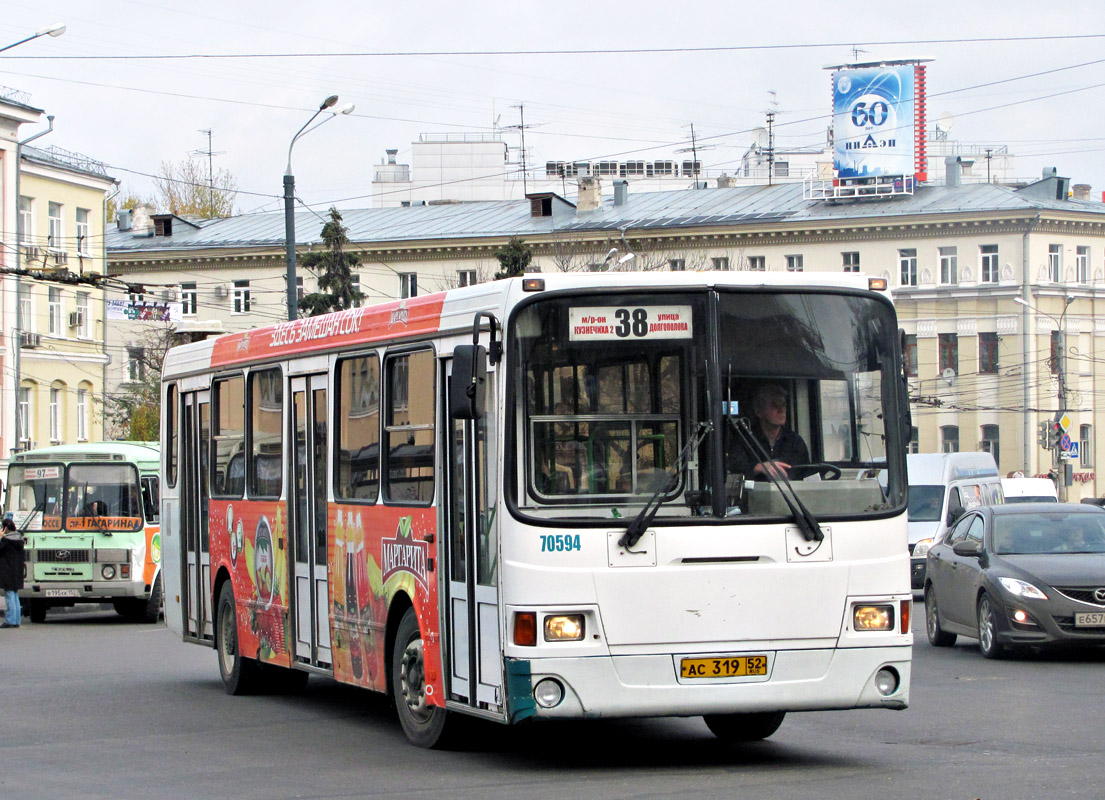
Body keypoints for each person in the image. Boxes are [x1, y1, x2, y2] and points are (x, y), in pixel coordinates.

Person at [730, 383, 809, 480]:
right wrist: (758, 467)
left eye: (783, 405)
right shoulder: (744, 440)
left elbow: (806, 476)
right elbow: (733, 474)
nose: (781, 410)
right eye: (775, 405)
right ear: (759, 411)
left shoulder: (795, 442)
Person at [0, 517, 25, 628]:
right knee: (15, 595)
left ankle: (10, 620)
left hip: (7, 571)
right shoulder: (19, 539)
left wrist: (0, 537)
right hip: (17, 571)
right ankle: (16, 620)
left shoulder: (6, 541)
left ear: (5, 528)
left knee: (9, 595)